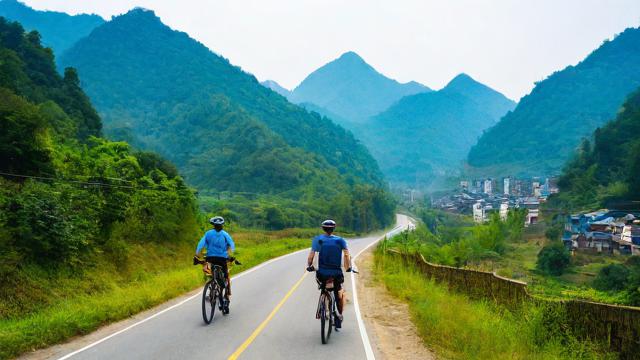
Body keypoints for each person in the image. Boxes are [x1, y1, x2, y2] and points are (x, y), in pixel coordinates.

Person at [306, 219, 352, 329]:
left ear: (323, 228)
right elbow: (346, 255)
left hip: (321, 273)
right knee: (338, 293)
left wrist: (309, 265)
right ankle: (339, 314)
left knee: (323, 287)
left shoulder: (318, 240)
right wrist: (348, 267)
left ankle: (323, 299)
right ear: (333, 229)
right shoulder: (340, 240)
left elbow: (311, 256)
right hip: (336, 273)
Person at [194, 216, 236, 302]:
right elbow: (232, 245)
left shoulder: (208, 233)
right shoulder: (225, 234)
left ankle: (211, 289)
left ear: (213, 225)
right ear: (222, 225)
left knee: (209, 271)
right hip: (222, 259)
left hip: (210, 258)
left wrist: (197, 255)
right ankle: (225, 292)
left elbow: (200, 245)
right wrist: (231, 254)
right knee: (225, 275)